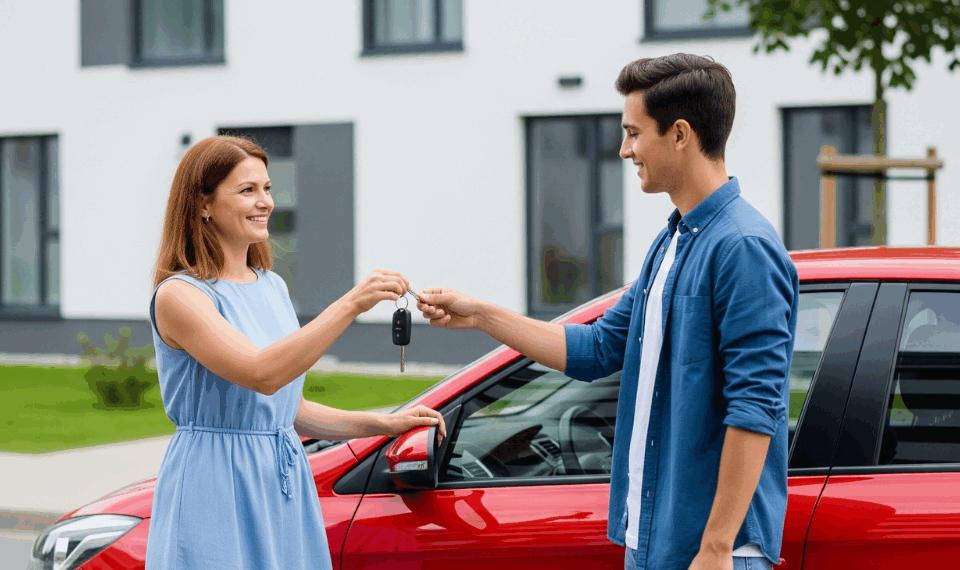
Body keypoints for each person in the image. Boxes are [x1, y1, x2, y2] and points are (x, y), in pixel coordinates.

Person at [416, 54, 798, 570]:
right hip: (652, 541)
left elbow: (756, 408)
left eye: (633, 133)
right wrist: (481, 314)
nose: (624, 150)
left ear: (679, 134)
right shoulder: (672, 241)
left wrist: (717, 547)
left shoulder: (743, 247)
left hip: (711, 554)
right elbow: (597, 348)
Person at [146, 135, 446, 570]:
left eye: (267, 188)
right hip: (214, 483)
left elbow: (288, 408)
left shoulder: (272, 286)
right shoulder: (180, 295)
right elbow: (261, 374)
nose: (265, 202)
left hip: (282, 482)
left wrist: (384, 423)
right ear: (204, 204)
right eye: (247, 190)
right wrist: (351, 304)